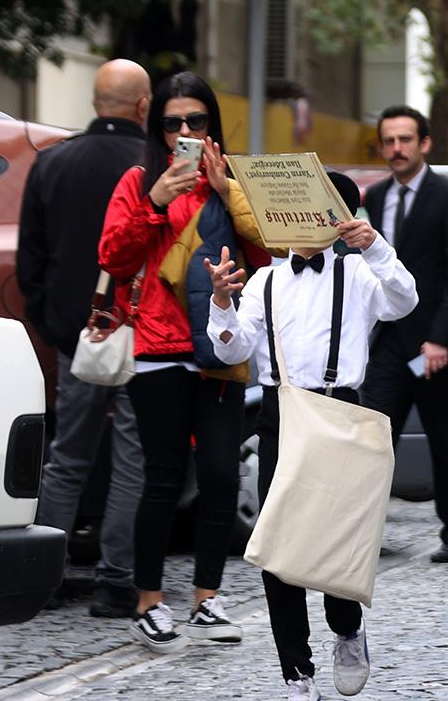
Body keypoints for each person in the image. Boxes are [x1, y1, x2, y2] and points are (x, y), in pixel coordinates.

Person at [205, 171, 417, 701]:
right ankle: (296, 673)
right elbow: (231, 350)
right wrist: (222, 306)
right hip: (280, 414)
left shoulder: (358, 275)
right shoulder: (265, 281)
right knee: (280, 546)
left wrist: (377, 248)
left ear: (338, 217)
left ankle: (347, 629)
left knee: (336, 538)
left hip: (340, 410)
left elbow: (405, 301)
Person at [99, 70, 280, 652]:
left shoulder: (230, 181)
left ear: (211, 127)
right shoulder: (139, 179)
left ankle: (208, 597)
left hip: (222, 346)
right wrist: (156, 201)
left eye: (195, 121)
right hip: (158, 347)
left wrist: (228, 192)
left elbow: (266, 254)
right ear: (157, 126)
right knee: (163, 478)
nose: (183, 131)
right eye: (172, 121)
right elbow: (113, 256)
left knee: (223, 476)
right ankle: (149, 601)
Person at [16, 59, 151, 618]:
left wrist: (57, 328)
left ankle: (39, 577)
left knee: (66, 456)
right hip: (144, 337)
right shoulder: (155, 168)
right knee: (133, 459)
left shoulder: (53, 163)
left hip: (79, 338)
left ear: (95, 104)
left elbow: (32, 262)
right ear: (144, 106)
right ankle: (115, 581)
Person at [360, 105, 448, 563]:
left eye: (405, 139)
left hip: (437, 341)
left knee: (445, 437)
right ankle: (362, 535)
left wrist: (440, 339)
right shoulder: (374, 197)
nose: (396, 149)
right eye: (388, 141)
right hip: (388, 341)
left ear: (424, 143)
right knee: (373, 439)